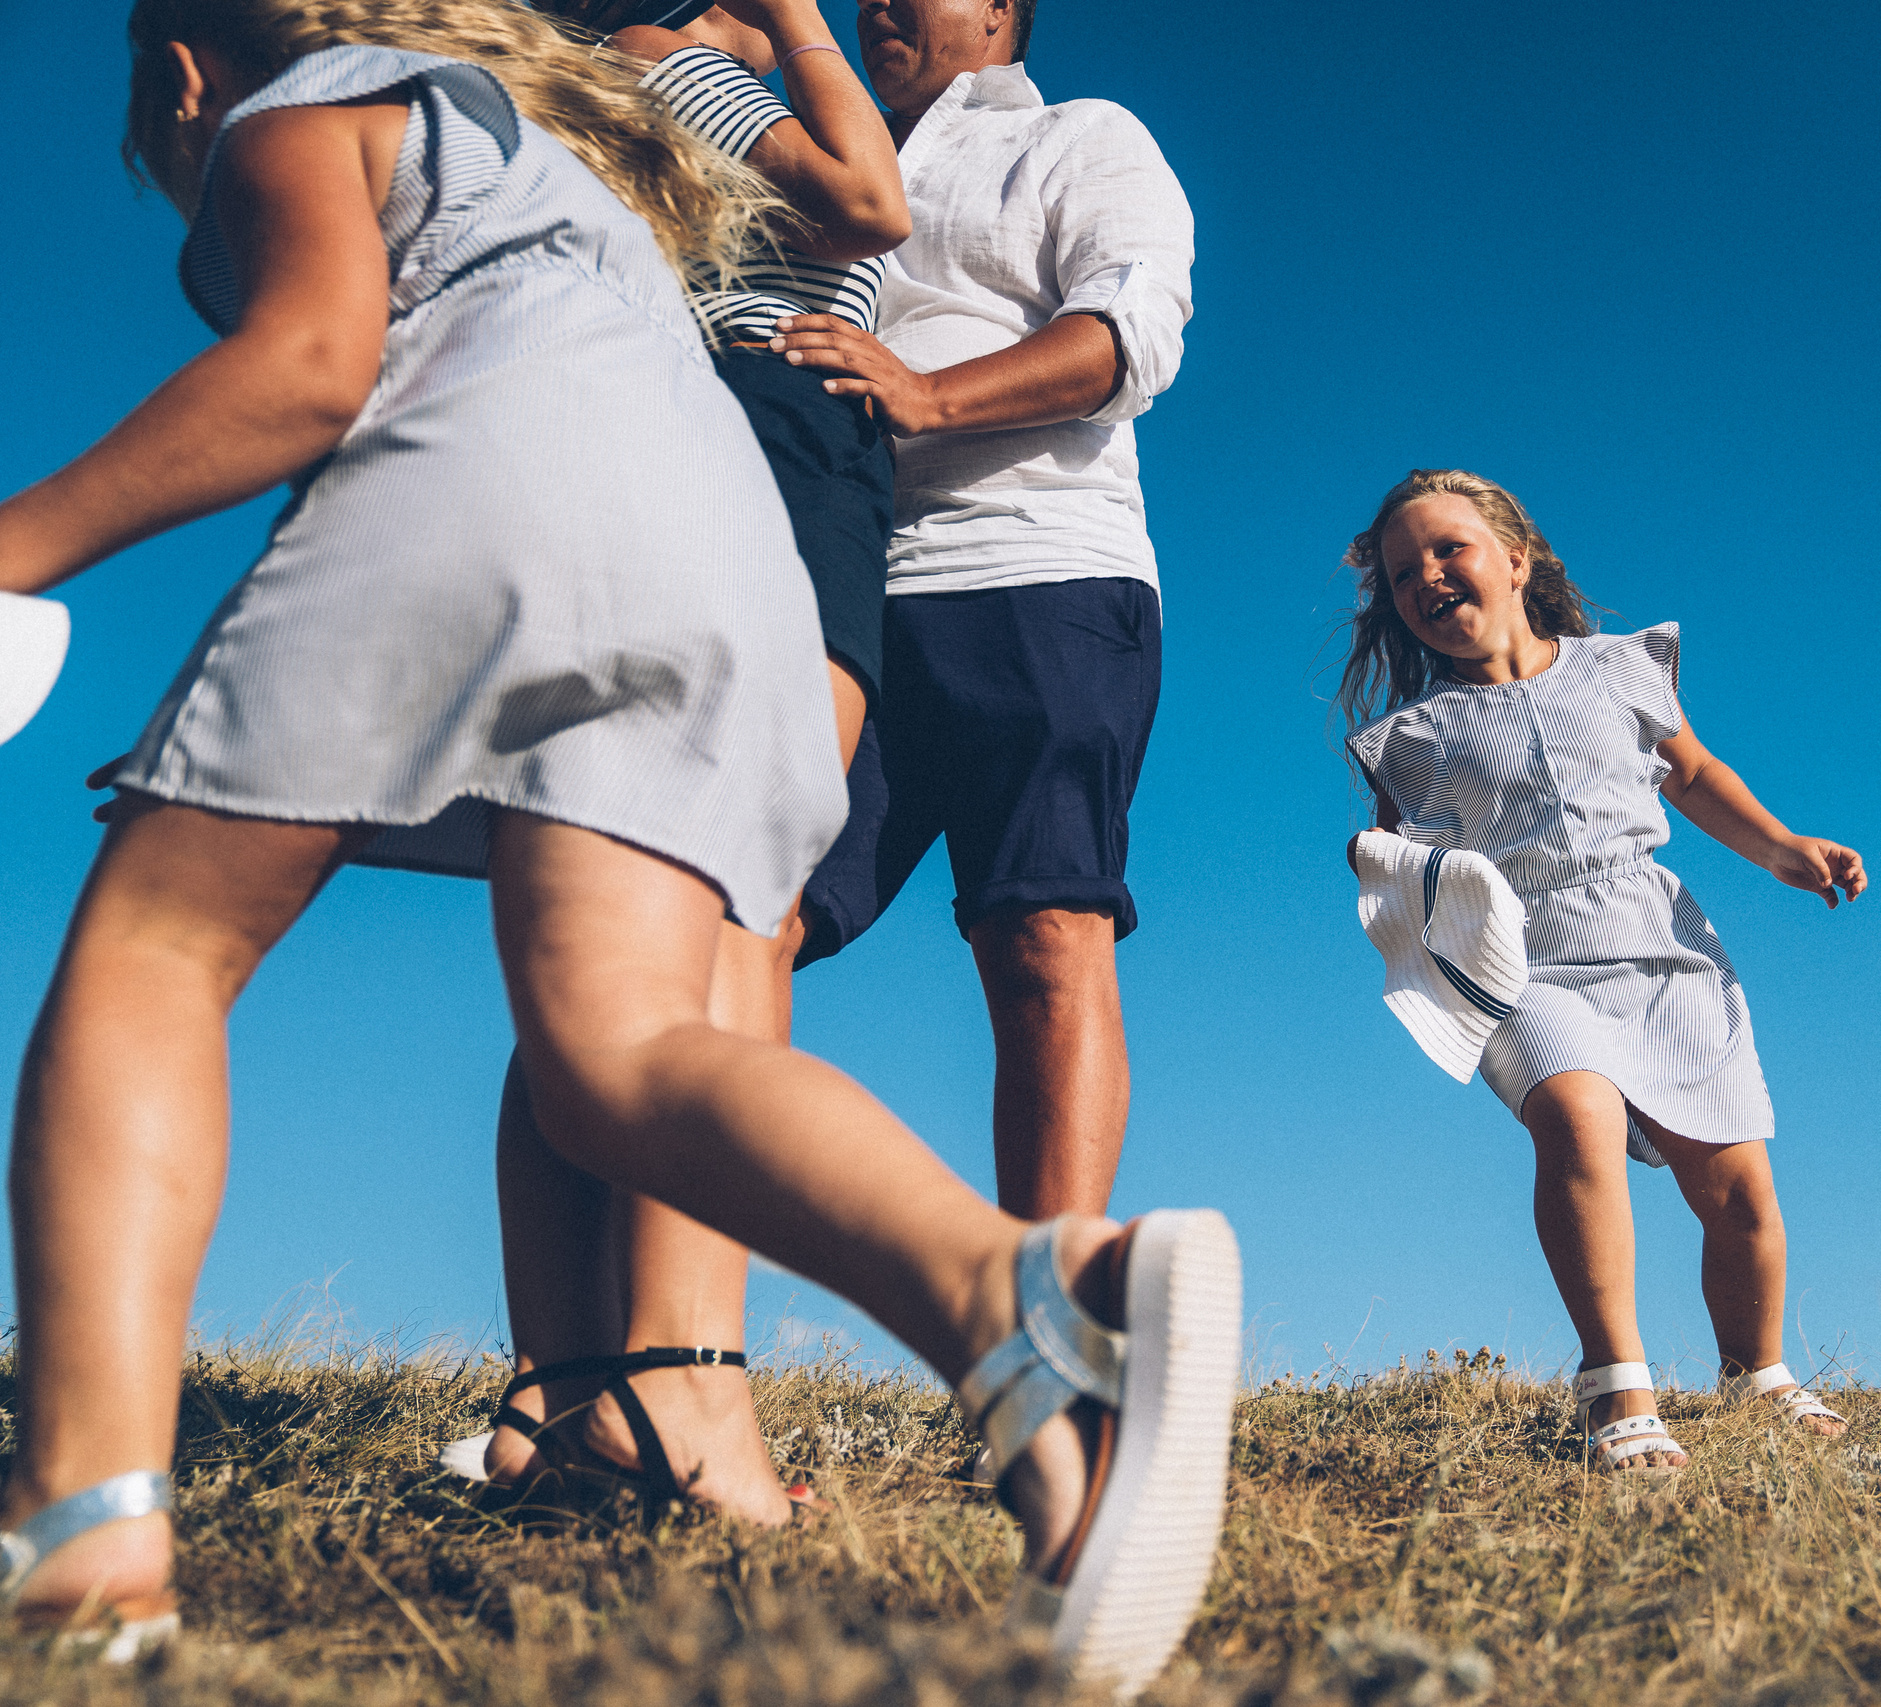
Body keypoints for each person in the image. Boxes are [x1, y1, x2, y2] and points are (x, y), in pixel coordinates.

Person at [0, 7, 1238, 1693]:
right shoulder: (579, 139)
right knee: (623, 1044)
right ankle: (1023, 1296)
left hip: (520, 464)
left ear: (186, 61)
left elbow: (305, 367)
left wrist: (17, 548)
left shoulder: (298, 106)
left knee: (158, 944)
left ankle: (87, 1528)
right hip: (729, 545)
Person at [471, 0, 914, 1528]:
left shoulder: (577, 85)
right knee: (740, 906)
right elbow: (869, 201)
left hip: (636, 444)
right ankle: (682, 1386)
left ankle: (559, 1387)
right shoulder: (700, 66)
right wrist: (790, 22)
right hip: (779, 442)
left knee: (601, 929)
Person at [758, 0, 1194, 1221]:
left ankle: (1046, 1333)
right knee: (739, 926)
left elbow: (1132, 331)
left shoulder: (1079, 135)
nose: (881, 2)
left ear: (1001, 11)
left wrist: (928, 395)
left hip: (1036, 570)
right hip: (832, 596)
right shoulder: (805, 154)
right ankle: (635, 1345)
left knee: (1043, 935)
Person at [1336, 469, 1865, 1476]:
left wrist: (1785, 848)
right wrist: (1385, 873)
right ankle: (1615, 1385)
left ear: (1517, 560)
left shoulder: (1622, 669)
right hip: (1523, 960)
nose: (1428, 578)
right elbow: (1394, 858)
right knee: (1574, 1115)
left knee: (1737, 1191)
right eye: (1404, 574)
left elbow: (1695, 776)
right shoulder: (1410, 739)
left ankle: (1757, 1376)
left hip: (1658, 941)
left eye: (1449, 550)